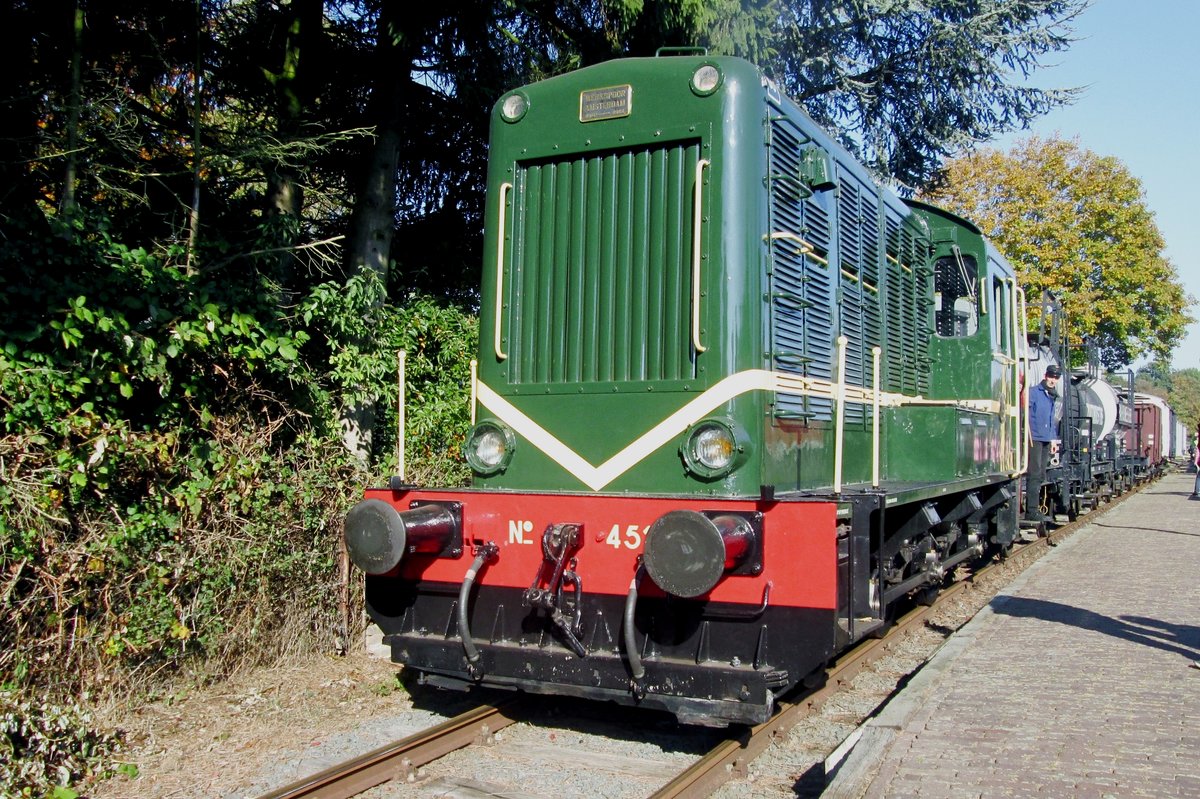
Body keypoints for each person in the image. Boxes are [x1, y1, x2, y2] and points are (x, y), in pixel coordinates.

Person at [1025, 364, 1061, 521]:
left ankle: (1035, 508)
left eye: (1056, 377)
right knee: (1034, 473)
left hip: (1046, 438)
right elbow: (1024, 414)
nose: (1053, 380)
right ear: (1046, 376)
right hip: (1034, 438)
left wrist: (1053, 438)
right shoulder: (1034, 393)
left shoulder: (1052, 395)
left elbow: (1051, 420)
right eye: (1051, 376)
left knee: (1040, 474)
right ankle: (1031, 511)